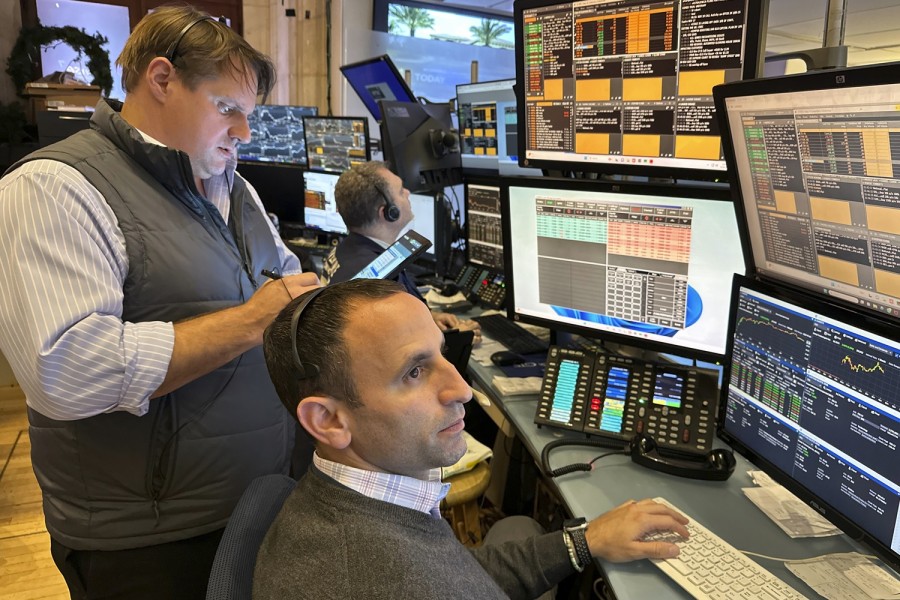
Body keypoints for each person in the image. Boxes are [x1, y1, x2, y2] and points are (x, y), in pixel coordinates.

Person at [0, 6, 320, 599]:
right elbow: (64, 372)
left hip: (255, 496)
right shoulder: (54, 187)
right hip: (149, 538)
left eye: (249, 116)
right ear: (162, 79)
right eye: (228, 109)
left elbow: (285, 283)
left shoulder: (235, 187)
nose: (244, 133)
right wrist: (250, 322)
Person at [255, 279, 690, 599]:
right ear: (328, 420)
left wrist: (583, 540)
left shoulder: (352, 501)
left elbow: (459, 570)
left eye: (441, 353)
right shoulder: (395, 581)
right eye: (414, 372)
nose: (461, 389)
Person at [320, 160, 479, 337]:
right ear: (388, 212)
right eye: (401, 190)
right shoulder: (379, 284)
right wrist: (459, 337)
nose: (408, 192)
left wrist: (429, 318)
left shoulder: (347, 251)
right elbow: (405, 353)